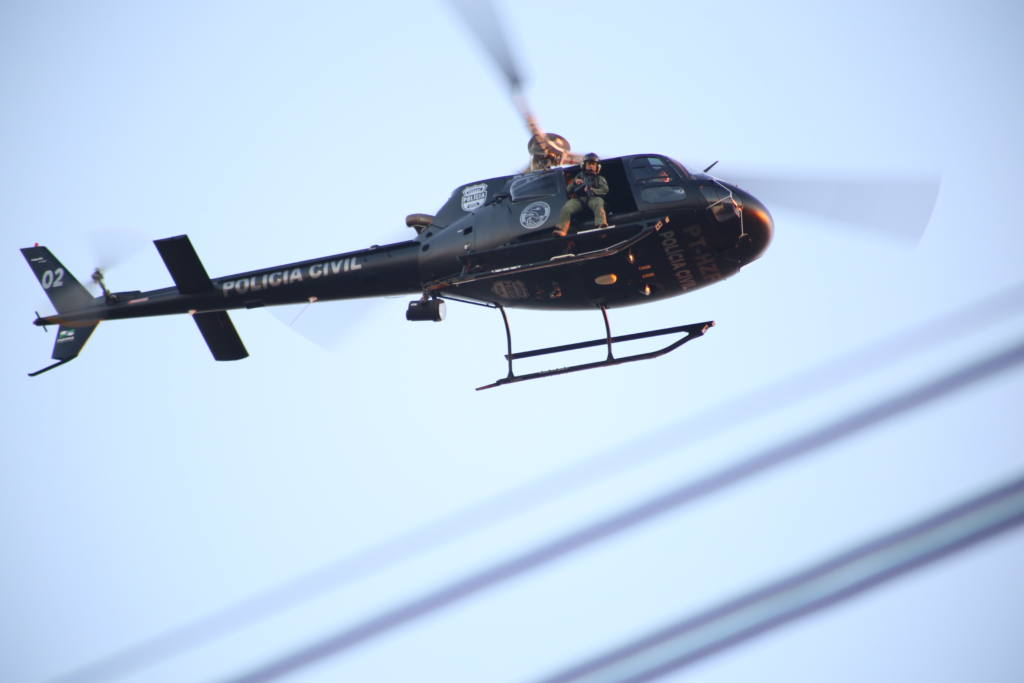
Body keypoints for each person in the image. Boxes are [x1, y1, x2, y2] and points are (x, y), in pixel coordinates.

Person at [553, 153, 609, 237]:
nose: (591, 166)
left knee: (598, 203)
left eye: (593, 164)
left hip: (593, 198)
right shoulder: (578, 177)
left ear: (597, 166)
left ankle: (601, 225)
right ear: (584, 165)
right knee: (567, 208)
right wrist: (574, 183)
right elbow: (568, 190)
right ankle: (562, 229)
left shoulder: (599, 178)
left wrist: (593, 190)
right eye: (589, 164)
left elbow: (605, 190)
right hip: (578, 199)